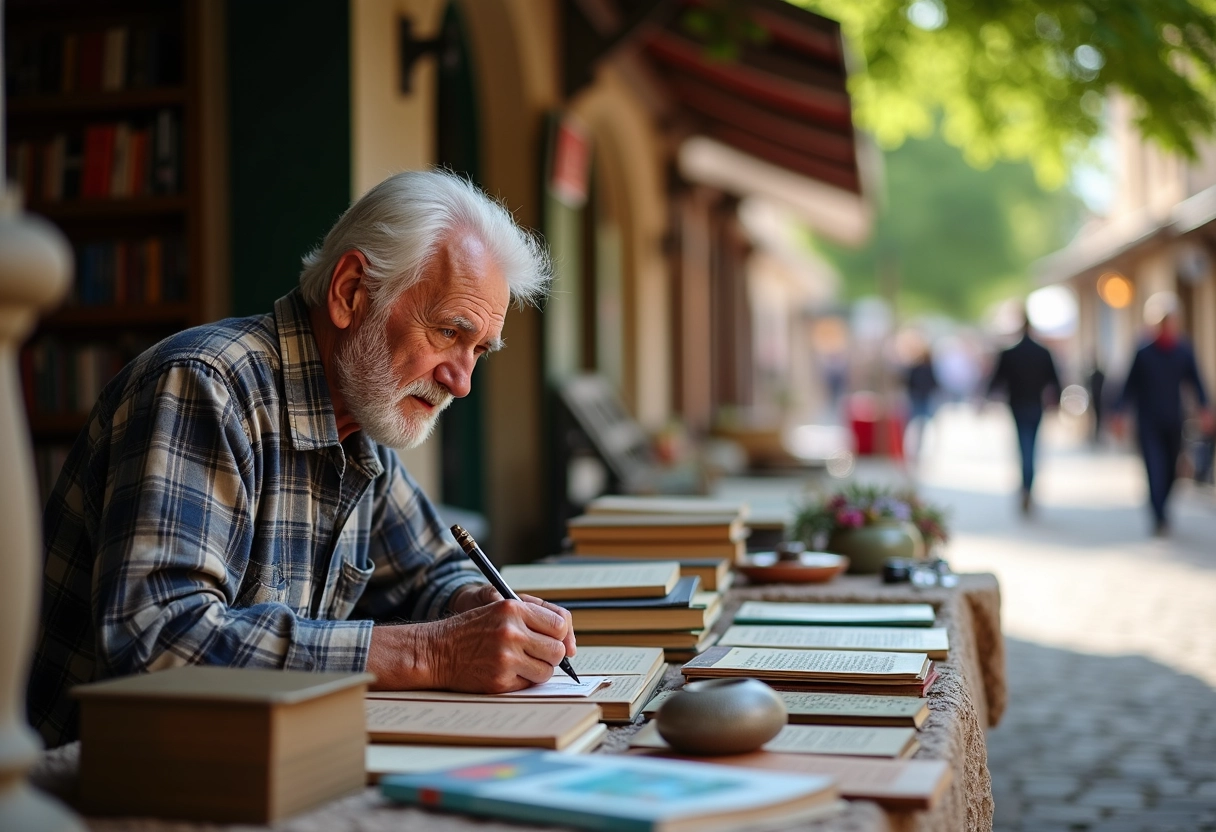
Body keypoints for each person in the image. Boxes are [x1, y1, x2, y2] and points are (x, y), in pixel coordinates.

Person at [29, 170, 575, 748]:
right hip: (100, 782)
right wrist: (433, 651)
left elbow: (430, 571)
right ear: (350, 293)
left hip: (246, 762)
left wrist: (482, 607)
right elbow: (159, 644)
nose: (460, 382)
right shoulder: (203, 388)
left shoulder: (360, 426)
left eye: (478, 350)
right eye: (446, 332)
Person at [1113, 293, 1213, 535]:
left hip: (1173, 420)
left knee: (1170, 471)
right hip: (1147, 421)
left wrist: (1205, 407)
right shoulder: (1143, 351)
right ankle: (1158, 516)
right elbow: (1129, 385)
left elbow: (1197, 382)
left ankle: (1163, 508)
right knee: (1154, 468)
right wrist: (1118, 412)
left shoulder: (1183, 350)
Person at [986, 315, 1061, 514]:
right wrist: (1058, 404)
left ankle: (1026, 486)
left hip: (1017, 404)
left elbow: (996, 379)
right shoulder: (1042, 352)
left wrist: (986, 398)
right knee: (1032, 446)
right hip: (1035, 405)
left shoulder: (1011, 353)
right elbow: (1055, 380)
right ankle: (1028, 486)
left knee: (1023, 446)